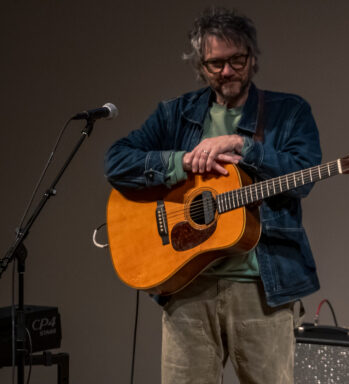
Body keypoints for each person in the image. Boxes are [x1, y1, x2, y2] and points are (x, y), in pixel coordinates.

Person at [104, 7, 322, 384]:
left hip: (262, 289)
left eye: (236, 60)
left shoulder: (289, 112)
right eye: (214, 63)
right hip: (187, 285)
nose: (226, 71)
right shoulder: (176, 114)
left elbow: (302, 178)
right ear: (200, 67)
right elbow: (117, 162)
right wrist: (181, 161)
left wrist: (242, 145)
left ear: (252, 59)